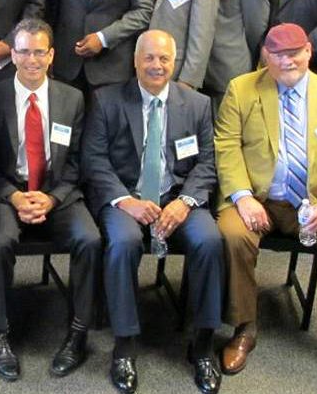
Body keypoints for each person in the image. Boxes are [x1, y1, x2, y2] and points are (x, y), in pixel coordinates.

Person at [215, 23, 317, 382]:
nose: (288, 61)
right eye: (278, 54)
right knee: (231, 235)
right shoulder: (242, 90)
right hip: (260, 199)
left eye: (295, 53)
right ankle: (244, 327)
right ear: (265, 56)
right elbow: (226, 146)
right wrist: (242, 197)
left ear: (308, 52)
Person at [83, 29, 223, 394]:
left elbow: (207, 163)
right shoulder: (106, 100)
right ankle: (124, 345)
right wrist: (124, 200)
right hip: (127, 198)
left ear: (174, 63)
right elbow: (94, 160)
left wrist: (185, 202)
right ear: (135, 61)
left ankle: (203, 343)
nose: (156, 65)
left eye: (164, 58)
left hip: (177, 197)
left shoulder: (197, 104)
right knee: (123, 243)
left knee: (210, 241)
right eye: (149, 57)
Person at [0, 19, 101, 381]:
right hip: (9, 191)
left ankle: (78, 334)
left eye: (39, 52)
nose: (31, 60)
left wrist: (51, 199)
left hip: (57, 191)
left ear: (51, 56)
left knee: (89, 239)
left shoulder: (72, 98)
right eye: (23, 51)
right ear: (12, 54)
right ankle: (0, 335)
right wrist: (14, 196)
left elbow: (78, 162)